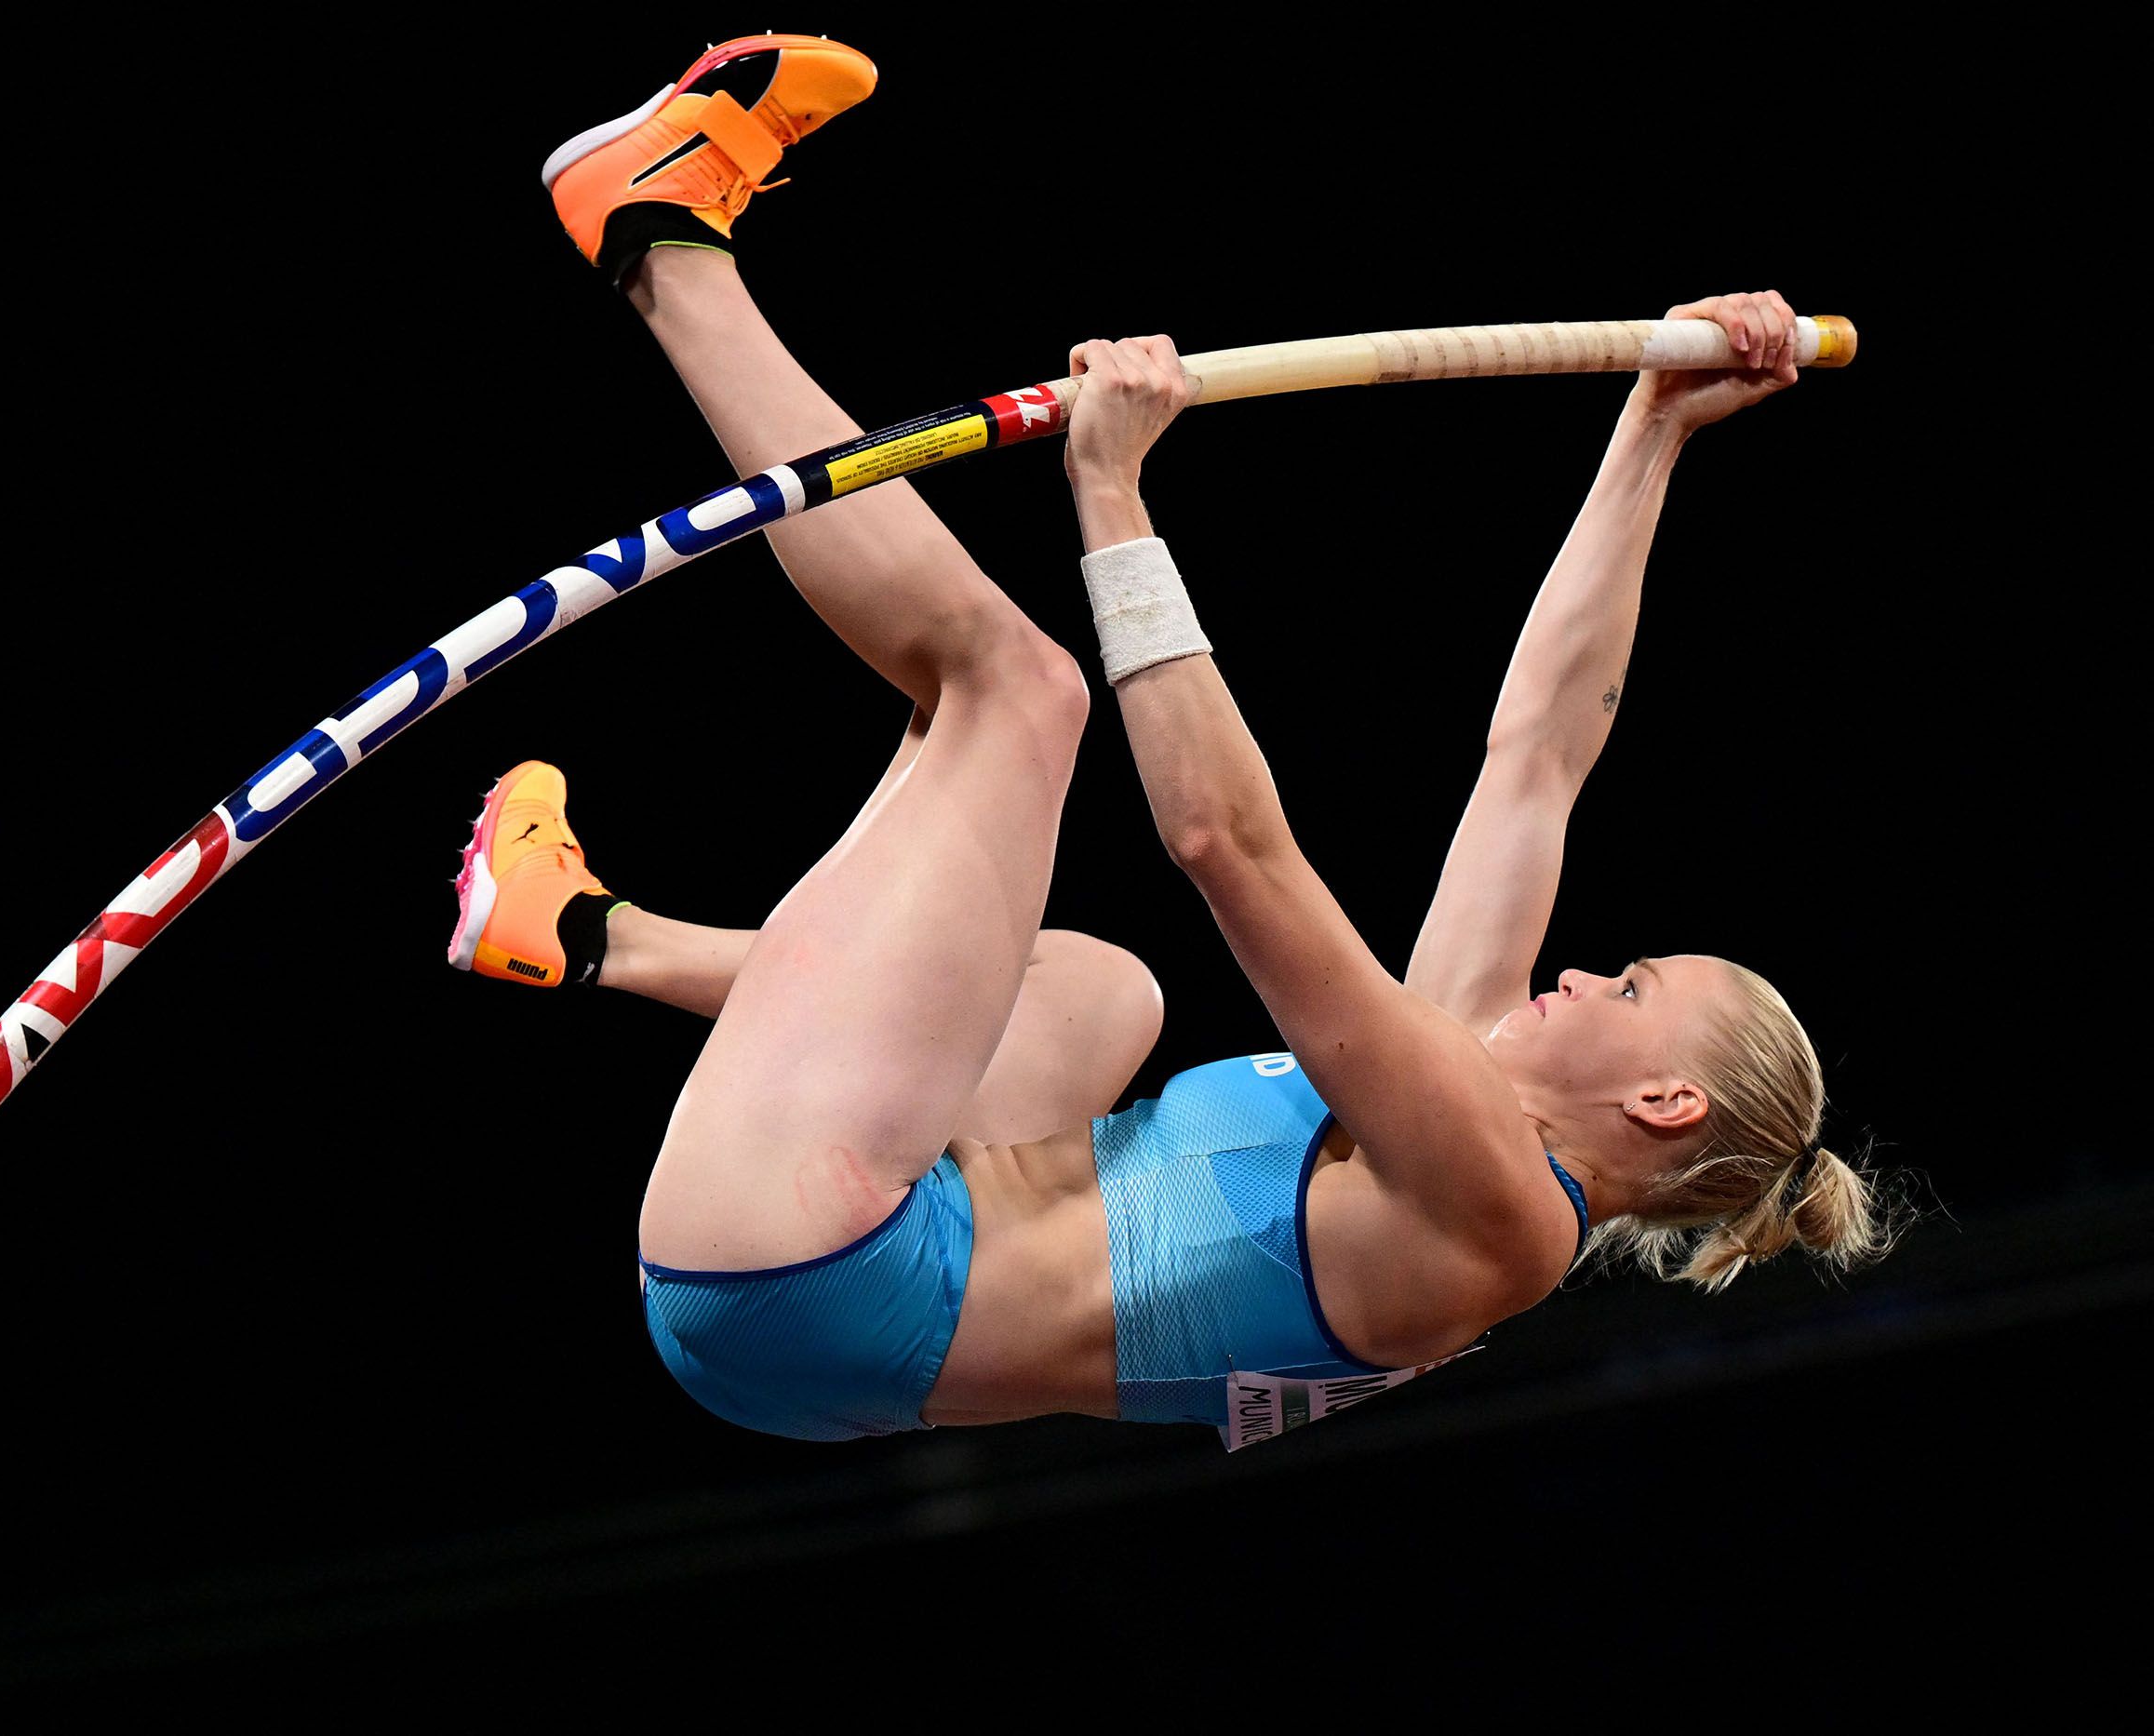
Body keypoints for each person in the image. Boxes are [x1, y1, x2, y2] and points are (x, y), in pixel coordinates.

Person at [450, 33, 1896, 1445]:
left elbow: (1225, 844)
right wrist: (1652, 434)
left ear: (1662, 1097)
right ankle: (589, 932)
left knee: (1013, 689)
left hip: (806, 1263)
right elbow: (1539, 754)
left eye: (1630, 984)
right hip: (820, 1317)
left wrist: (1111, 492)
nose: (1585, 968)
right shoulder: (1459, 1090)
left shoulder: (1496, 1210)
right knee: (1099, 995)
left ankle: (659, 237)